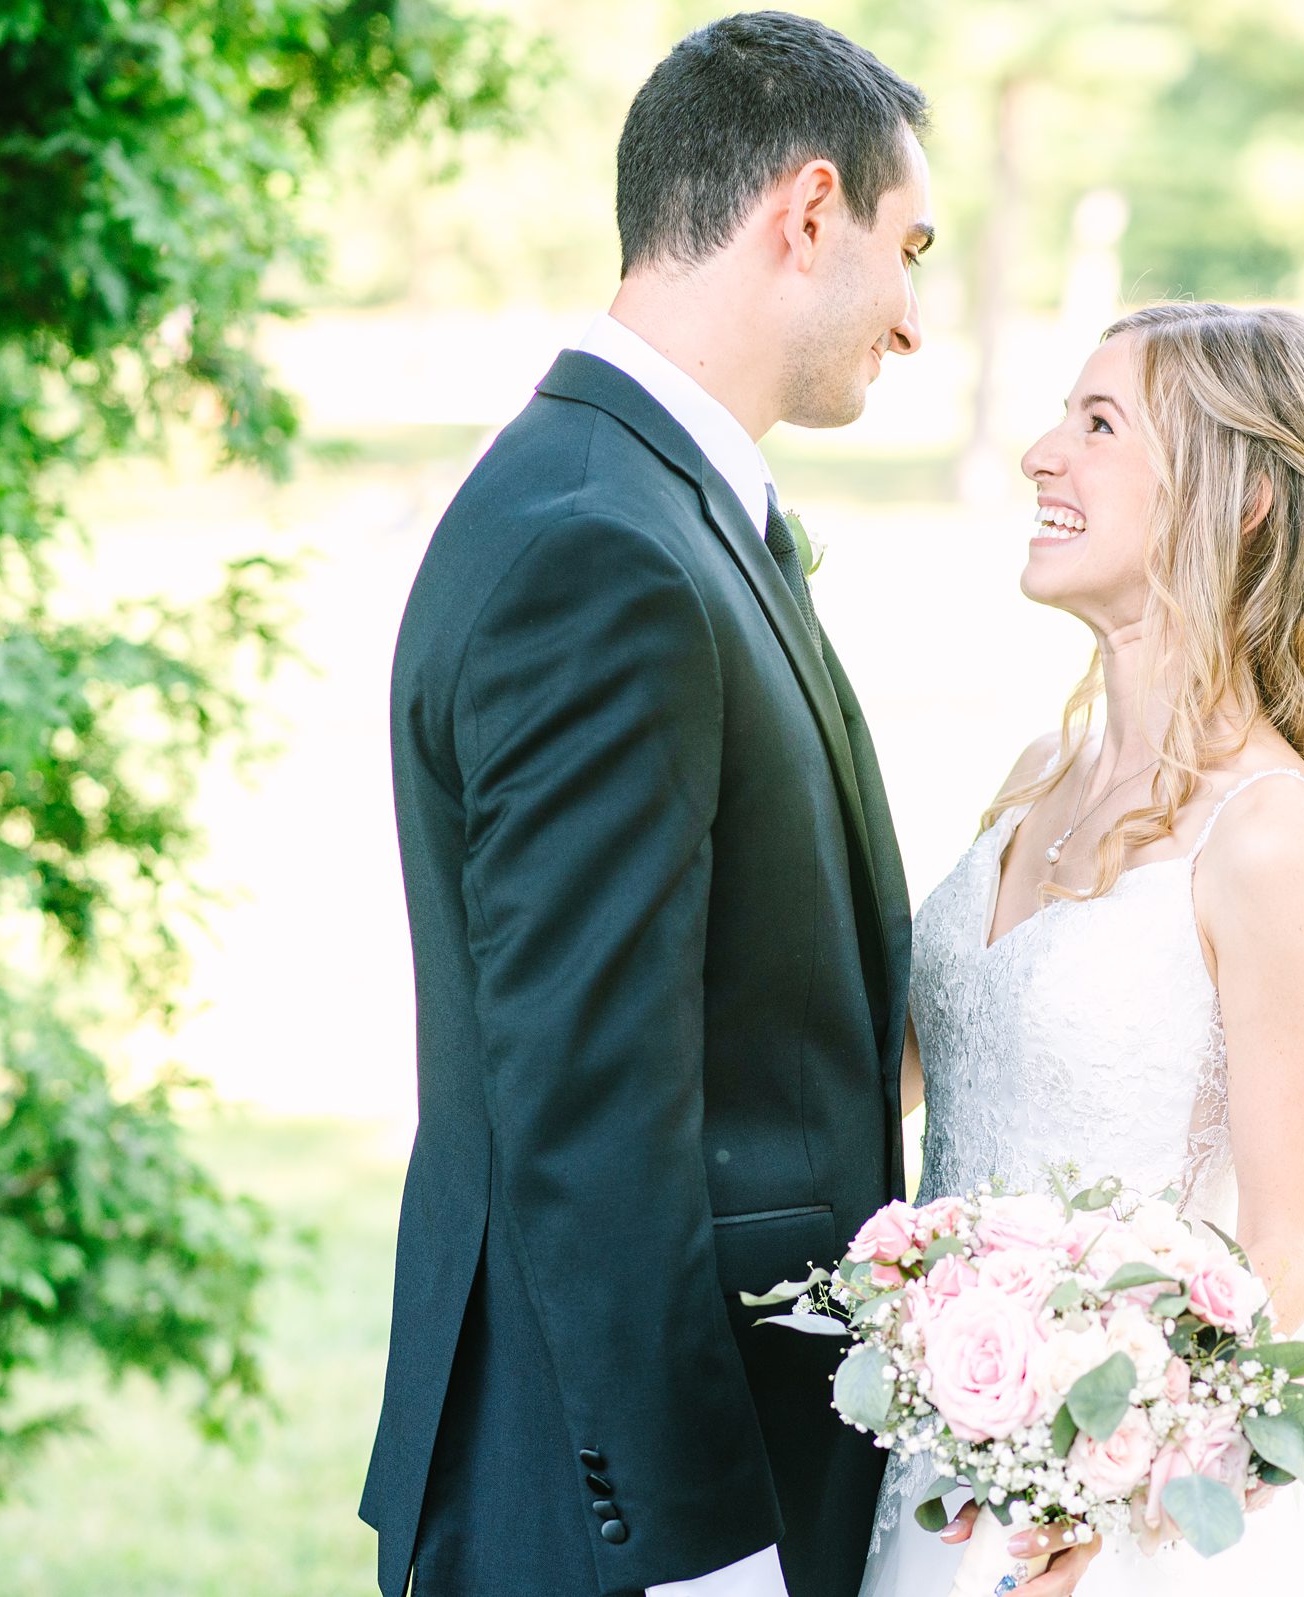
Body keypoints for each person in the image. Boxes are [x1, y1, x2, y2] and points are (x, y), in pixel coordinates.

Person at [360, 14, 934, 1596]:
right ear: (807, 216)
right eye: (911, 248)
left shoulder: (639, 503)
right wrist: (698, 1551)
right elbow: (590, 1103)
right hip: (627, 1507)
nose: (915, 317)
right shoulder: (600, 551)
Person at [860, 304, 1304, 1597]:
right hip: (924, 1467)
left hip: (1102, 1519)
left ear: (1246, 496)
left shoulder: (1273, 841)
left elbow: (1289, 1250)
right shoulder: (1039, 772)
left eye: (1099, 425)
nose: (1045, 453)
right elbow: (905, 1075)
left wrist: (1092, 1487)